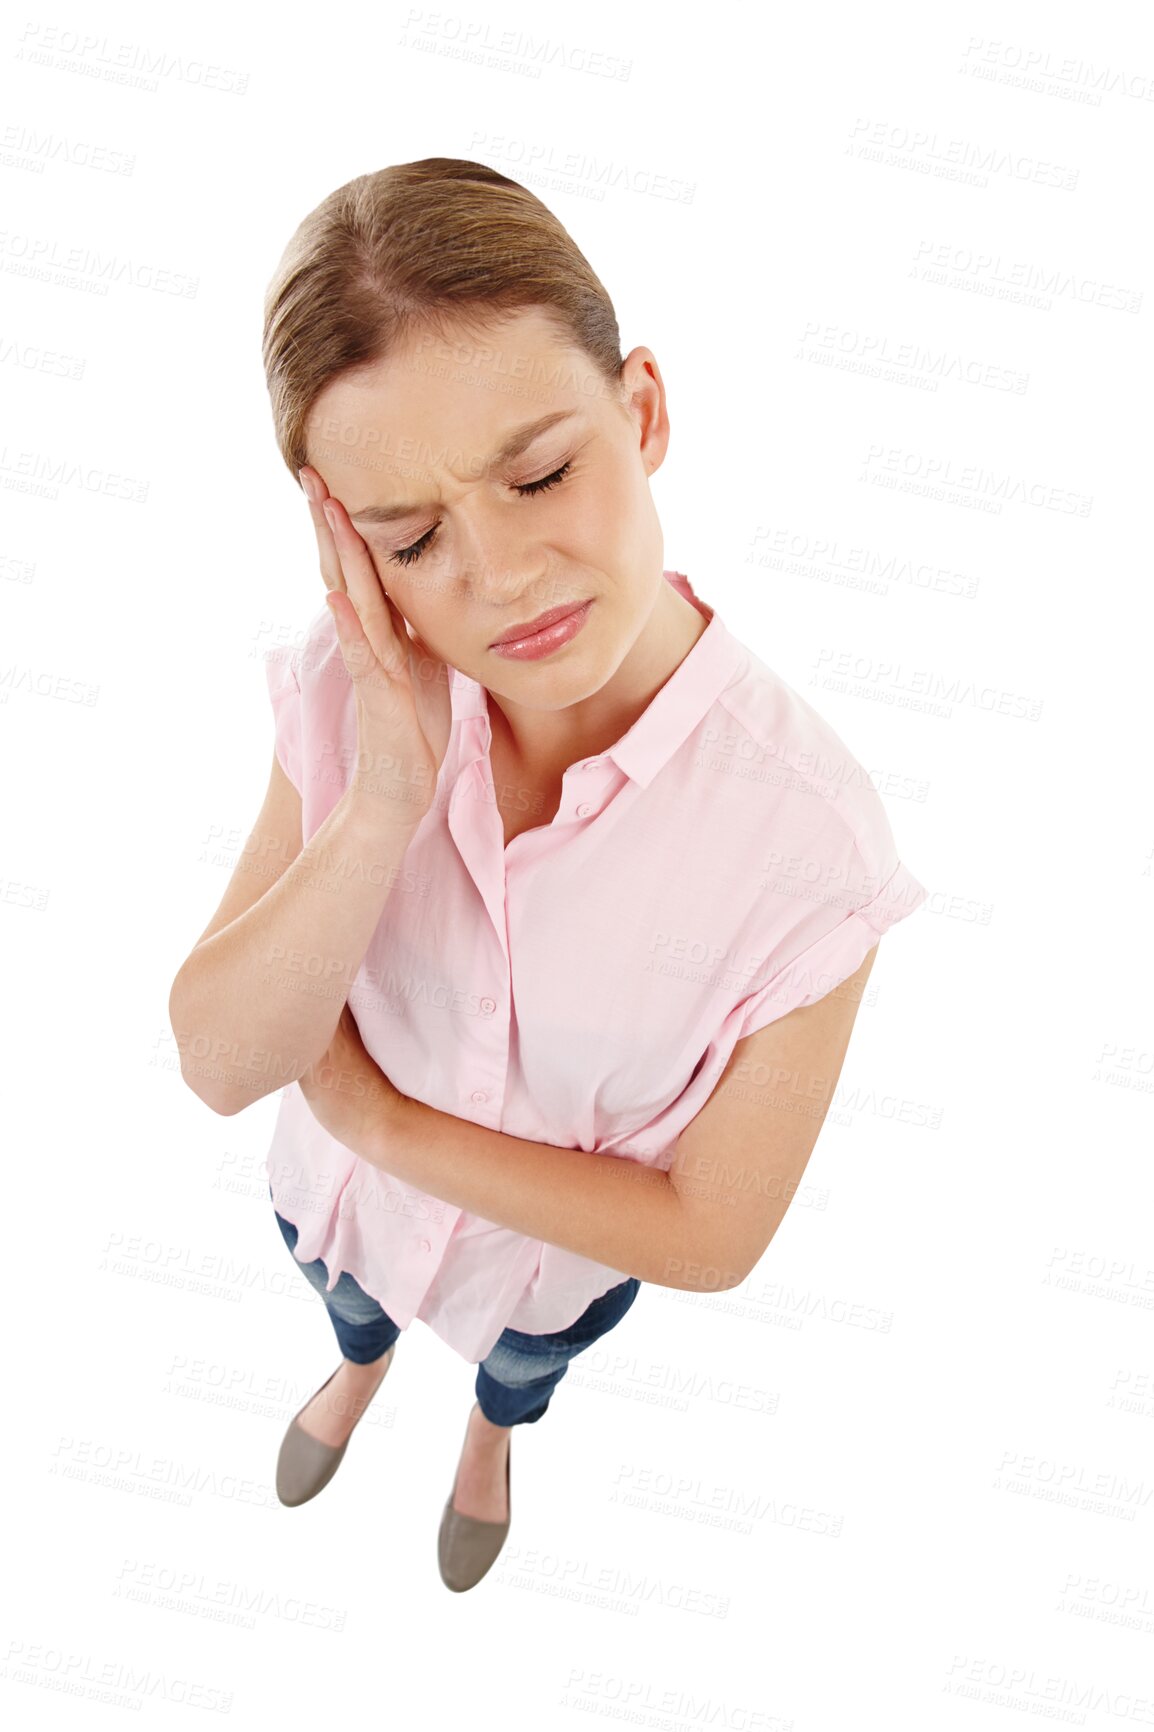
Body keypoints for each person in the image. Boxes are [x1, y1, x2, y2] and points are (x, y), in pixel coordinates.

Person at [168, 158, 929, 1593]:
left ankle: (487, 1442)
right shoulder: (355, 691)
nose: (506, 574)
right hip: (340, 1215)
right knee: (347, 1307)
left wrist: (379, 1121)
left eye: (540, 473)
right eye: (413, 539)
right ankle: (358, 1369)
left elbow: (711, 1233)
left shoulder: (812, 843)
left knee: (520, 1370)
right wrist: (386, 796)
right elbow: (219, 1058)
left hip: (535, 1284)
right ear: (350, 545)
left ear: (640, 414)